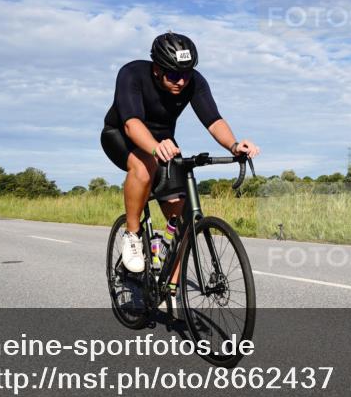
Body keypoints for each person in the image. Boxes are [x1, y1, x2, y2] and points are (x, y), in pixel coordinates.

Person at [101, 32, 260, 280]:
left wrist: (234, 145)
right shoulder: (132, 74)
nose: (181, 82)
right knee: (144, 167)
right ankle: (132, 236)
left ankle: (171, 287)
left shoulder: (193, 81)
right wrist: (154, 148)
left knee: (181, 217)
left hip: (164, 141)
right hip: (121, 135)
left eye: (186, 75)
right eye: (174, 75)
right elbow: (132, 124)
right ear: (156, 68)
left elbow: (213, 120)